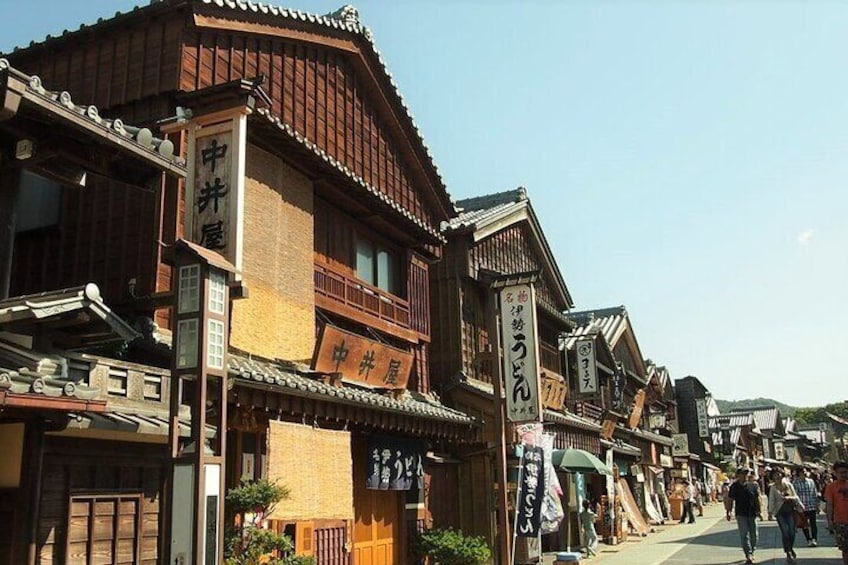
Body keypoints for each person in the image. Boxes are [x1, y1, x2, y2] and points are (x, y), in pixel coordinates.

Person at [725, 468, 761, 564]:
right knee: (744, 534)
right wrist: (728, 512)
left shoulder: (753, 485)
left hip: (752, 513)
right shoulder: (734, 486)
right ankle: (748, 554)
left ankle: (752, 551)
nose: (745, 476)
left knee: (754, 535)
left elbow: (757, 499)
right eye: (743, 474)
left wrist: (760, 511)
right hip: (741, 513)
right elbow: (730, 499)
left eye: (746, 474)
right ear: (738, 475)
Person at [768, 468, 801, 562]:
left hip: (790, 510)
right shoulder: (773, 488)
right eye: (775, 475)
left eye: (779, 474)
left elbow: (796, 496)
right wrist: (770, 512)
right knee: (785, 532)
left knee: (792, 532)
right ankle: (788, 552)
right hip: (780, 512)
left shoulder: (788, 485)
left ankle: (790, 548)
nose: (777, 476)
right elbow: (771, 500)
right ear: (773, 477)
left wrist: (789, 498)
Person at [825, 461, 848, 565]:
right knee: (845, 548)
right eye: (841, 472)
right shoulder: (831, 487)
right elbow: (829, 505)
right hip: (840, 521)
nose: (844, 475)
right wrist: (830, 521)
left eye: (846, 472)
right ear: (835, 473)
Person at [792, 467, 819, 547]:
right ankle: (808, 540)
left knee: (813, 523)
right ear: (799, 473)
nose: (804, 473)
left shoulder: (811, 481)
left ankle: (814, 539)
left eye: (805, 472)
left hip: (811, 505)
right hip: (802, 506)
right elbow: (795, 495)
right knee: (804, 524)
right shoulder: (795, 483)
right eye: (802, 472)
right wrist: (797, 506)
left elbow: (814, 493)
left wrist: (817, 505)